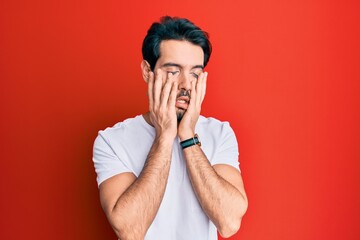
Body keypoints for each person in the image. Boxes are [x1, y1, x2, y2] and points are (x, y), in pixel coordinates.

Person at [92, 16, 248, 240]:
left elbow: (229, 223)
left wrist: (187, 135)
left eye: (195, 73)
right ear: (148, 71)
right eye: (173, 71)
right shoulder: (111, 141)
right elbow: (130, 231)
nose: (186, 84)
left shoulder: (220, 133)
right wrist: (164, 136)